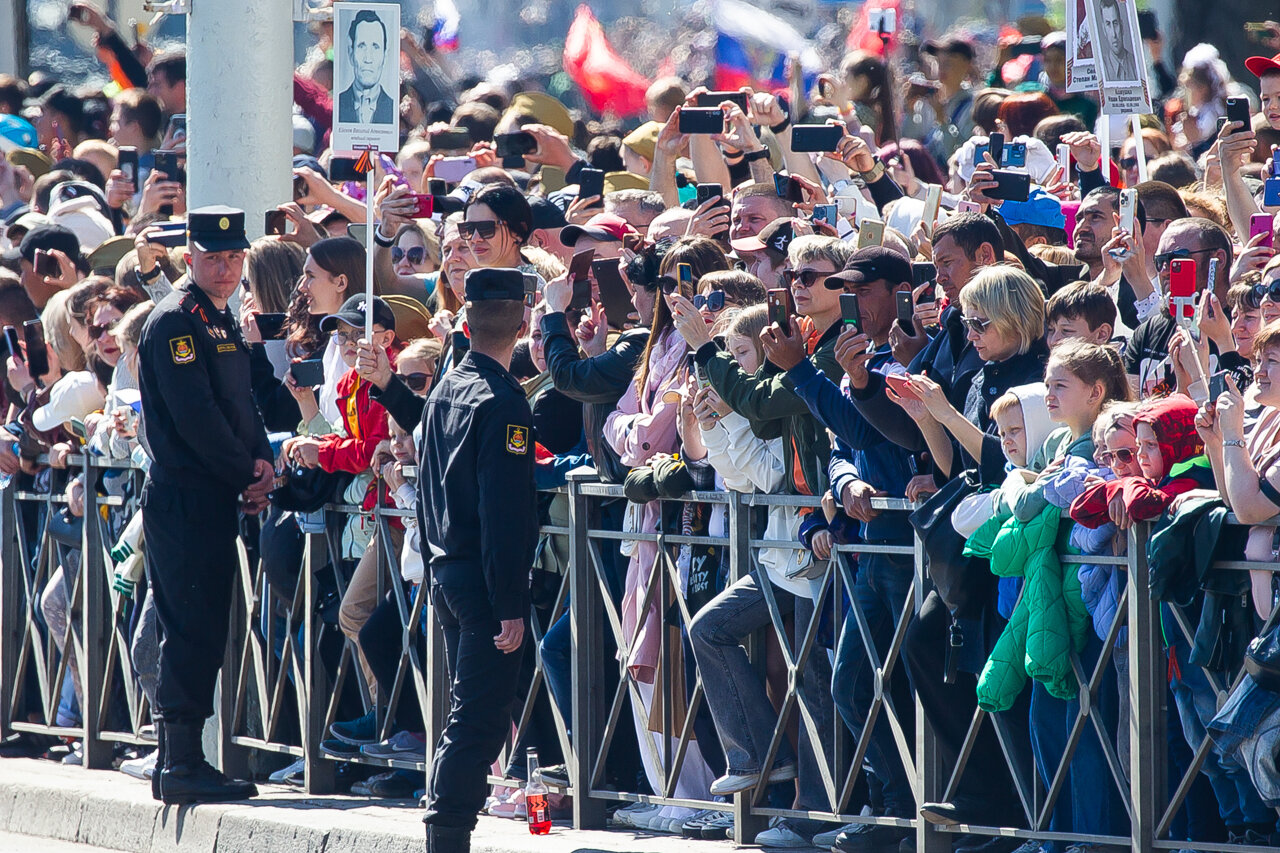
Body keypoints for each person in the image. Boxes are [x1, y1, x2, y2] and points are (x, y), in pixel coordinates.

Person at [380, 267, 536, 853]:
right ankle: (447, 832)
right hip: (479, 578)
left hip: (446, 568)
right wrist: (509, 604)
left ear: (465, 321)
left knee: (466, 711)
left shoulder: (448, 387)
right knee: (479, 717)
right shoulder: (500, 401)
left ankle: (446, 826)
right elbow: (504, 514)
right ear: (523, 321)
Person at [137, 206, 273, 804]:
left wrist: (261, 459)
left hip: (212, 492)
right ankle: (181, 763)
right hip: (186, 494)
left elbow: (240, 401)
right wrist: (247, 470)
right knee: (190, 629)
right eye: (214, 257)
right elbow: (196, 418)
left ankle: (180, 762)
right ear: (189, 257)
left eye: (234, 257)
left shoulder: (217, 319)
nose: (225, 268)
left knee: (202, 627)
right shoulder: (176, 320)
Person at [337, 9, 395, 124]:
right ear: (351, 52)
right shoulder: (337, 105)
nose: (368, 58)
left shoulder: (394, 108)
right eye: (361, 46)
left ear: (385, 55)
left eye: (375, 47)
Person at [1097, 0, 1137, 81]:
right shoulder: (1100, 68)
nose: (1114, 34)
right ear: (1104, 30)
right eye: (1108, 24)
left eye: (1115, 23)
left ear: (1121, 26)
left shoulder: (1136, 63)